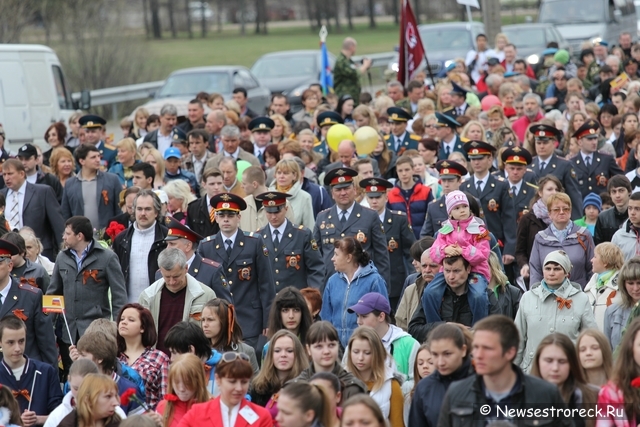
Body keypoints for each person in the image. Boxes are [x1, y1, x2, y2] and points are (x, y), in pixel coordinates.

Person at [438, 315, 573, 426]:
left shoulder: (545, 394)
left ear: (510, 352)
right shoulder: (456, 393)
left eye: (487, 348)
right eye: (476, 347)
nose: (478, 355)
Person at [48, 216, 127, 373]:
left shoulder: (107, 257)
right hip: (69, 333)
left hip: (96, 332)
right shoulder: (62, 257)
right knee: (73, 375)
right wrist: (47, 325)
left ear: (79, 236)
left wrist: (118, 329)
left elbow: (119, 296)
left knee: (96, 374)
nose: (63, 237)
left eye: (67, 233)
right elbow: (53, 292)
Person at [197, 193, 275, 350]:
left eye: (231, 215)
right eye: (221, 215)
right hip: (218, 319)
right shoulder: (206, 246)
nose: (226, 219)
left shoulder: (254, 242)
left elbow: (266, 284)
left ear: (239, 217)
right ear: (216, 218)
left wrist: (268, 320)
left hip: (249, 318)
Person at [515, 250, 597, 372]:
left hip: (569, 371)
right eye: (547, 268)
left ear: (567, 273)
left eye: (557, 269)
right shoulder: (528, 298)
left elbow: (591, 337)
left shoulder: (580, 299)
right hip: (532, 371)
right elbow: (518, 339)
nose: (551, 273)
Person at [313, 167, 390, 288]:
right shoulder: (322, 217)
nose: (343, 193)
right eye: (338, 189)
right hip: (330, 285)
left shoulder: (370, 216)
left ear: (354, 190)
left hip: (362, 283)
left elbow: (382, 257)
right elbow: (315, 258)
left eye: (346, 188)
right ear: (332, 193)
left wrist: (383, 288)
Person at [424, 190, 491, 316]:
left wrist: (462, 251)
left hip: (477, 271)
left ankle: (479, 328)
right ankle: (435, 327)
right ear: (450, 213)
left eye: (465, 206)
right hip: (448, 272)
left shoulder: (479, 230)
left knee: (478, 296)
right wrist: (445, 250)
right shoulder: (444, 231)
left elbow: (483, 254)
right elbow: (433, 252)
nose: (462, 210)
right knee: (429, 292)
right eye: (457, 208)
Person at [138, 248, 216, 354]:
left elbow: (214, 333)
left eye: (176, 276)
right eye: (167, 277)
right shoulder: (147, 296)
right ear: (160, 270)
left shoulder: (206, 295)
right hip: (156, 361)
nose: (172, 282)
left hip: (192, 359)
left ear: (186, 268)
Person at [320, 237, 389, 348]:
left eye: (336, 255)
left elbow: (383, 316)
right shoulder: (332, 281)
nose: (332, 259)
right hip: (337, 349)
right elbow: (325, 316)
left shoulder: (374, 281)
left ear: (348, 257)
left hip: (365, 347)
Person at [360, 177, 415, 310]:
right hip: (367, 279)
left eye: (378, 197)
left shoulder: (398, 220)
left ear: (386, 197)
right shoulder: (360, 221)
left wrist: (413, 276)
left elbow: (410, 250)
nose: (374, 201)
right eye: (371, 197)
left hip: (395, 280)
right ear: (366, 198)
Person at [463, 140, 517, 273]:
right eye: (473, 159)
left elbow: (509, 218)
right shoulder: (465, 186)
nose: (476, 162)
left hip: (496, 244)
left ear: (490, 159)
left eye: (480, 158)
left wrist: (510, 249)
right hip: (471, 246)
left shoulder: (501, 185)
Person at [176, 352, 272, 427]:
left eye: (244, 382)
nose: (239, 388)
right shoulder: (197, 412)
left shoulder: (261, 416)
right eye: (232, 381)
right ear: (218, 379)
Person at [0, 314, 62, 427]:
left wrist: (38, 419)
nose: (17, 348)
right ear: (0, 342)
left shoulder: (46, 372)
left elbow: (61, 415)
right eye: (11, 342)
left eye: (21, 341)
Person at [408, 323, 474, 427]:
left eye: (447, 354)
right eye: (435, 354)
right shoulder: (424, 388)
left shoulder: (485, 382)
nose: (440, 362)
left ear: (463, 350)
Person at [257, 191, 324, 290]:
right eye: (269, 212)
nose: (273, 216)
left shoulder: (302, 235)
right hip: (269, 301)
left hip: (296, 299)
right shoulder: (259, 237)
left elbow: (316, 268)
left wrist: (311, 296)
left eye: (277, 211)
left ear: (286, 209)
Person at [1, 159, 65, 260]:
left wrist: (64, 251)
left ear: (22, 173)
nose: (6, 178)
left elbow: (58, 225)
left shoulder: (43, 192)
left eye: (10, 174)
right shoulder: (2, 195)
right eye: (4, 174)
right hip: (9, 254)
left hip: (40, 253)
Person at [529, 192, 595, 288]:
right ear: (549, 214)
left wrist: (589, 293)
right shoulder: (540, 238)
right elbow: (535, 271)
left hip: (578, 293)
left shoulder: (584, 235)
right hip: (548, 295)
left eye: (566, 209)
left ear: (570, 211)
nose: (561, 212)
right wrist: (536, 295)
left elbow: (592, 268)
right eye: (556, 209)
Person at [112, 190, 168, 303]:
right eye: (139, 209)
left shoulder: (167, 238)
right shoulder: (121, 239)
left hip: (159, 303)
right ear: (134, 210)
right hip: (128, 304)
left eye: (148, 209)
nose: (143, 213)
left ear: (156, 212)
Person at [530, 333, 598, 427]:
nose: (555, 368)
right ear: (538, 362)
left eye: (562, 361)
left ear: (572, 364)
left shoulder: (593, 397)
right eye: (549, 361)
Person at [349, 292, 419, 381]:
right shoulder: (355, 343)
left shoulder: (410, 345)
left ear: (381, 316)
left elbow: (418, 383)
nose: (359, 321)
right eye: (357, 316)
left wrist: (391, 389)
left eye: (364, 316)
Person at [345, 327, 404, 426]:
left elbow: (397, 424)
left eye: (367, 353)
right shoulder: (340, 382)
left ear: (377, 353)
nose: (360, 358)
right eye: (356, 352)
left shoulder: (392, 385)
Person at [159, 218, 229, 300]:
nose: (168, 248)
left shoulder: (212, 271)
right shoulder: (160, 272)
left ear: (188, 246)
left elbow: (225, 307)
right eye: (167, 244)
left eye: (172, 244)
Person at [294, 321, 367, 400]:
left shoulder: (353, 388)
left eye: (331, 345)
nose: (326, 351)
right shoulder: (296, 387)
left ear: (338, 345)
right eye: (319, 346)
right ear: (308, 349)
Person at [116, 303, 170, 409]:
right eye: (122, 319)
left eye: (131, 320)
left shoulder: (159, 358)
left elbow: (165, 399)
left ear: (143, 328)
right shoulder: (113, 356)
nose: (124, 322)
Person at [61, 144, 123, 231]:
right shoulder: (70, 184)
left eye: (99, 156)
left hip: (107, 235)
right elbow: (66, 213)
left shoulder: (112, 180)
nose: (98, 160)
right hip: (80, 237)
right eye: (93, 157)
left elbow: (119, 209)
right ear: (82, 161)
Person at [529, 124, 583, 219]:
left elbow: (574, 196)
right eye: (538, 143)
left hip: (558, 216)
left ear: (554, 143)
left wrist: (576, 221)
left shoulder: (565, 165)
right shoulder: (529, 164)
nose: (541, 146)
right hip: (534, 217)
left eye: (545, 143)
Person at [516, 175, 564, 284]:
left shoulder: (564, 218)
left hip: (560, 273)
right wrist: (524, 265)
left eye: (557, 190)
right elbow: (520, 250)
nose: (554, 192)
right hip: (536, 274)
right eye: (550, 189)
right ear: (540, 193)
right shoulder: (527, 219)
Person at [250, 330, 309, 418]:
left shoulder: (307, 387)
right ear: (270, 355)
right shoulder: (258, 387)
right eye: (277, 351)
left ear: (298, 355)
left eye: (289, 351)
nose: (283, 355)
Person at [200, 299, 260, 375]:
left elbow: (254, 384)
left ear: (224, 321)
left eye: (210, 320)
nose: (205, 324)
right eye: (203, 320)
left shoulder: (246, 351)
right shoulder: (200, 351)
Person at [570, 120, 624, 198]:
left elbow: (621, 179)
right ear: (580, 142)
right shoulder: (572, 162)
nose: (594, 142)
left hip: (603, 205)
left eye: (595, 138)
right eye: (590, 139)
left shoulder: (606, 159)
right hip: (581, 206)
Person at [153, 354, 209, 427]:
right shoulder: (163, 406)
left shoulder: (211, 407)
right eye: (176, 382)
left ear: (199, 381)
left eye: (188, 383)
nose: (181, 389)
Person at [420, 160, 469, 238]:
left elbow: (482, 231)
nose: (446, 185)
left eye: (450, 181)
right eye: (443, 180)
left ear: (459, 181)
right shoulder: (433, 206)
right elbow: (425, 236)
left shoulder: (470, 202)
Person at [262, 287, 313, 359]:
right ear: (278, 313)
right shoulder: (269, 347)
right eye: (285, 310)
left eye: (296, 310)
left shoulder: (313, 345)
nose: (291, 316)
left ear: (303, 312)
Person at [584, 242, 624, 329]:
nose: (591, 260)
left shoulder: (622, 287)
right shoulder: (591, 285)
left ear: (605, 262)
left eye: (595, 257)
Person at [56, 373, 122, 427]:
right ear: (88, 399)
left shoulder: (120, 424)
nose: (116, 403)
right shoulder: (67, 423)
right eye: (108, 396)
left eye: (116, 396)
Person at [603, 257, 640, 350]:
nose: (635, 288)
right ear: (623, 284)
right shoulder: (611, 311)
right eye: (630, 283)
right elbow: (607, 350)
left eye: (639, 283)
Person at [268, 159, 315, 229]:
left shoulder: (305, 197)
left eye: (286, 173)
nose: (281, 176)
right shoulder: (267, 195)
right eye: (279, 172)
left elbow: (309, 227)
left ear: (294, 175)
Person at [401, 343, 433, 426]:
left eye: (430, 362)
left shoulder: (448, 392)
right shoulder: (410, 398)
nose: (425, 366)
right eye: (420, 363)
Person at [595, 175, 631, 245]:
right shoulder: (603, 217)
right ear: (610, 195)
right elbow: (598, 246)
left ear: (629, 192)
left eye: (621, 191)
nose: (617, 195)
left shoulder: (637, 214)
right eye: (614, 192)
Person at [186, 168, 222, 238]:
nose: (216, 187)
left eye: (219, 183)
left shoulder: (229, 206)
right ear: (204, 184)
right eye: (212, 184)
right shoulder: (193, 207)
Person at [333, 37, 371, 102]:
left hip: (353, 97)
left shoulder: (348, 61)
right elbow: (354, 73)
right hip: (345, 98)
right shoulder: (341, 61)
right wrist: (365, 66)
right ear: (351, 47)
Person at [487, 252, 523, 320]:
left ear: (493, 267)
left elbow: (520, 322)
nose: (480, 271)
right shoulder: (474, 294)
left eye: (484, 267)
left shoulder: (514, 292)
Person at [611, 191, 640, 261]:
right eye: (630, 208)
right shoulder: (619, 236)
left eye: (637, 209)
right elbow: (612, 265)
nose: (632, 213)